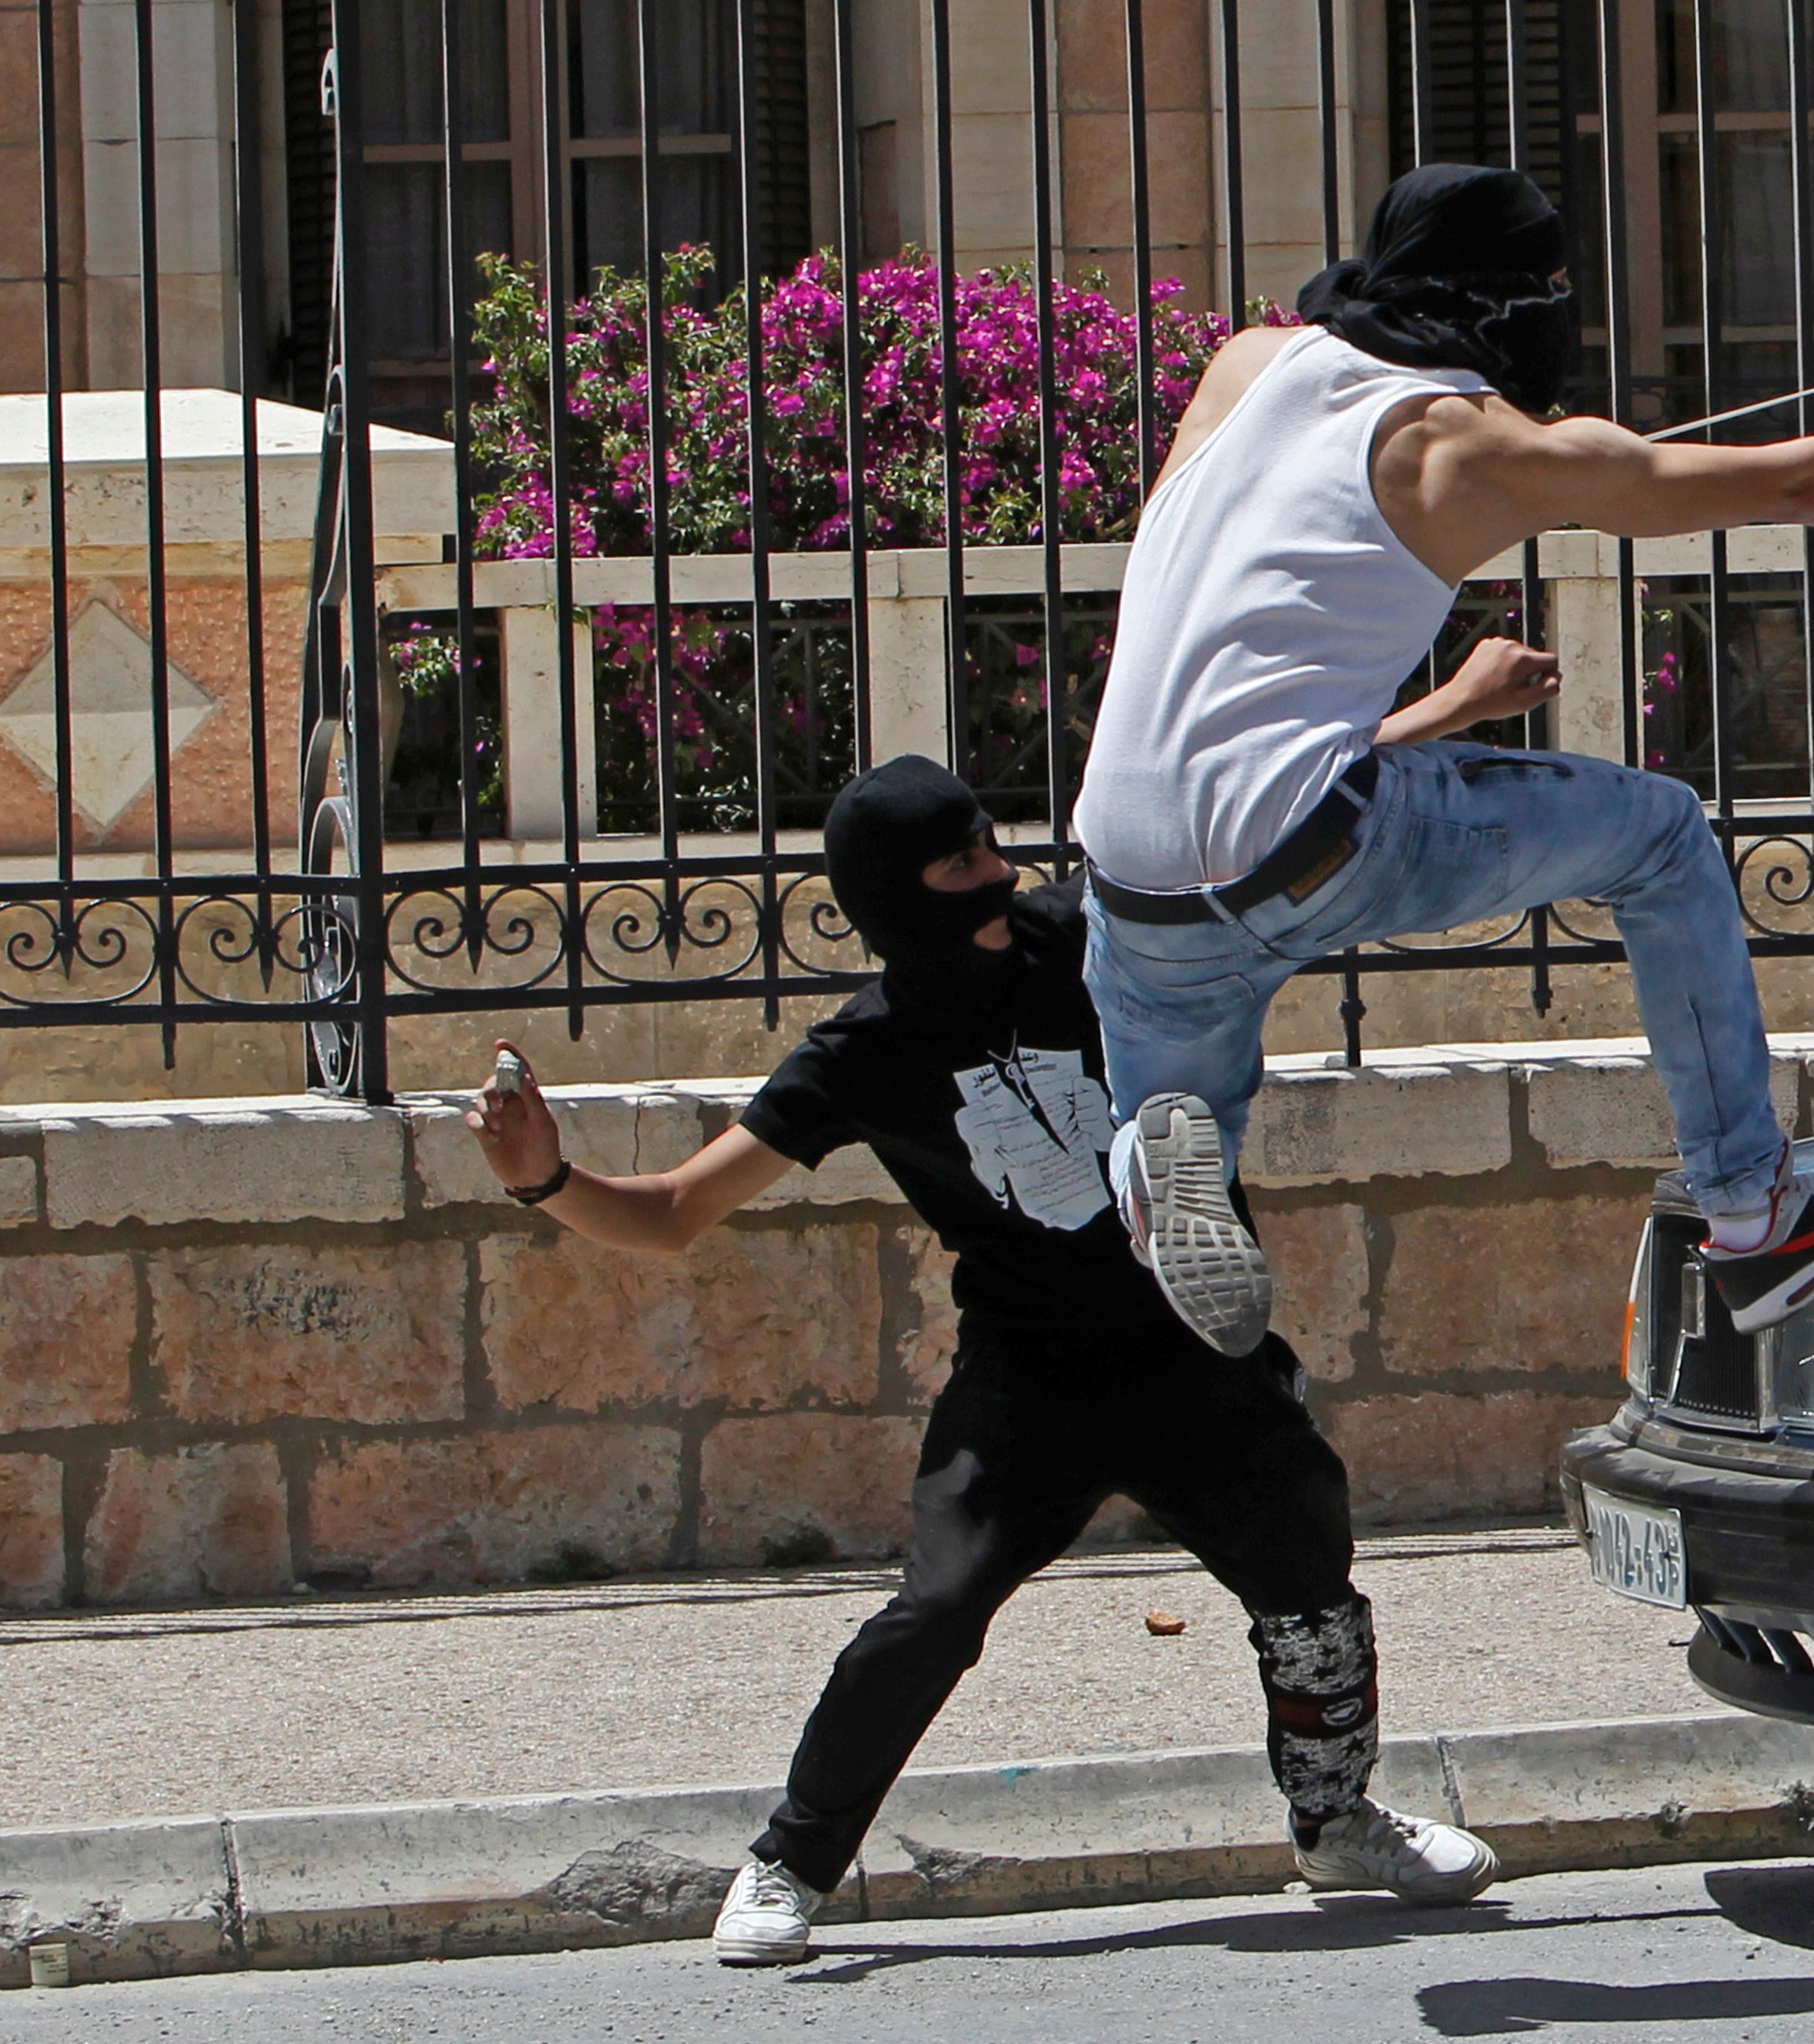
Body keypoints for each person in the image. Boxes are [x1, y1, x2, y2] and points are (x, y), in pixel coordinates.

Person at [460, 748, 1530, 1968]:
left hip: (1194, 1351)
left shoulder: (1089, 939)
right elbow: (670, 1212)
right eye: (962, 857)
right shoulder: (860, 1053)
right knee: (936, 1610)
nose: (999, 866)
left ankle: (1336, 1824)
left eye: (988, 838)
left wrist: (1441, 715)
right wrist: (541, 1178)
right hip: (1026, 1389)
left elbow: (1274, 838)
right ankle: (789, 1862)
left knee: (1310, 1585)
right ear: (903, 897)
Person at [1079, 164, 1814, 1350]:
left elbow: (1218, 644)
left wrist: (1430, 719)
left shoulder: (1245, 368)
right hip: (1313, 837)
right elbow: (1794, 479)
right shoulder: (1470, 443)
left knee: (1181, 1104)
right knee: (1661, 836)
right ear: (1519, 302)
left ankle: (1145, 1157)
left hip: (1127, 861)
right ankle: (1754, 1212)